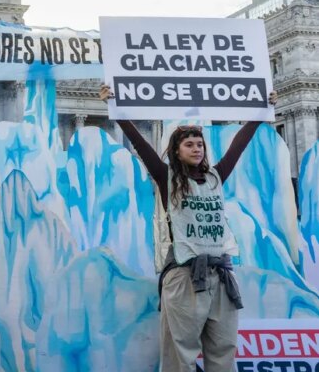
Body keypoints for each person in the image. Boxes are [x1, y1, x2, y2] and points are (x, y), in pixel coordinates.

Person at [100, 84, 276, 372]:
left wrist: (260, 111)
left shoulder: (216, 176)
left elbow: (239, 144)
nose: (197, 149)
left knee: (223, 352)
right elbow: (140, 146)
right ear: (177, 151)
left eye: (200, 144)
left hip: (220, 275)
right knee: (179, 356)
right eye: (189, 144)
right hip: (183, 274)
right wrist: (115, 108)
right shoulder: (166, 177)